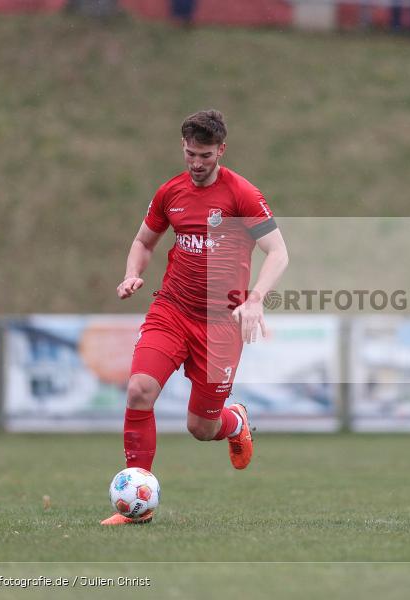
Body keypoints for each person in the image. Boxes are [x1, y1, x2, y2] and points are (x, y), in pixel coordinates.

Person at [102, 110, 289, 525]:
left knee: (201, 427)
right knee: (139, 390)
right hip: (172, 310)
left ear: (221, 150)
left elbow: (278, 252)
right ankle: (138, 507)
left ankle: (234, 422)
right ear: (183, 148)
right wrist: (133, 273)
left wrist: (256, 298)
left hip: (221, 324)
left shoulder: (242, 194)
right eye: (190, 154)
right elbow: (143, 241)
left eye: (205, 155)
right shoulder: (170, 192)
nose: (197, 163)